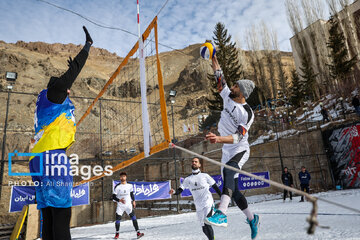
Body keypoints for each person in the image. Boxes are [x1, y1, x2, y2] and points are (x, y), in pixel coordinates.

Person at [29, 26, 93, 240]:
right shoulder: (53, 94)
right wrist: (87, 47)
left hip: (39, 159)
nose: (68, 89)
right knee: (61, 214)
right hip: (52, 158)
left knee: (48, 216)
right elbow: (72, 72)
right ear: (57, 87)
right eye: (64, 86)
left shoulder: (46, 102)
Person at [204, 53, 259, 239]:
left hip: (240, 149)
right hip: (226, 150)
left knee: (228, 172)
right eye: (233, 84)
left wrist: (219, 139)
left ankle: (222, 213)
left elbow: (237, 137)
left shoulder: (247, 113)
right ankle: (252, 219)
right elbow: (219, 76)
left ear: (242, 92)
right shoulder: (227, 96)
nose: (232, 86)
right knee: (234, 191)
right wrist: (213, 56)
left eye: (236, 86)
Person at [169, 157, 222, 240]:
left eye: (196, 162)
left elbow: (216, 187)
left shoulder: (205, 176)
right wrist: (174, 192)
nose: (194, 163)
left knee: (207, 222)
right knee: (204, 228)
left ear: (199, 165)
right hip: (198, 205)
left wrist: (223, 198)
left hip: (208, 202)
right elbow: (180, 190)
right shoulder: (188, 179)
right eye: (193, 161)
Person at [112, 172, 144, 239]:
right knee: (117, 220)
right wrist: (119, 200)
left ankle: (138, 233)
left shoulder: (129, 185)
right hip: (120, 206)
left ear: (126, 177)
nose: (122, 178)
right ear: (120, 177)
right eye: (121, 176)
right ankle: (117, 234)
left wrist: (134, 201)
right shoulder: (117, 186)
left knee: (134, 218)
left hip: (128, 205)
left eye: (124, 176)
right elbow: (113, 197)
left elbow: (131, 194)